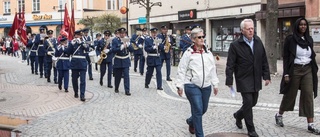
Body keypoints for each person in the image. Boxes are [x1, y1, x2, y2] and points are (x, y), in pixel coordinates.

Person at [225, 19, 271, 137]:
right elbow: (230, 64)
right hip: (243, 78)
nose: (251, 31)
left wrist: (266, 76)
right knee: (248, 102)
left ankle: (238, 115)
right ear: (242, 31)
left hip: (255, 77)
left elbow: (263, 59)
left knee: (253, 102)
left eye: (252, 28)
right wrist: (229, 80)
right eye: (248, 29)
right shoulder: (235, 45)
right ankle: (251, 129)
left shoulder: (258, 41)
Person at [275, 18, 320, 135]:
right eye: (301, 25)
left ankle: (311, 124)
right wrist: (286, 73)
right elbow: (286, 57)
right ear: (297, 26)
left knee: (308, 94)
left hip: (307, 70)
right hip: (294, 69)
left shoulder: (309, 39)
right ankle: (279, 114)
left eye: (305, 25)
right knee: (290, 94)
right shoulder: (290, 39)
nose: (303, 27)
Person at [175, 27, 219, 137]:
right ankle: (200, 135)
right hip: (192, 85)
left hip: (206, 86)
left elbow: (212, 68)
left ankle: (191, 121)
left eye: (203, 36)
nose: (202, 39)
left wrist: (215, 83)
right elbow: (181, 69)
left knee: (203, 109)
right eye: (199, 37)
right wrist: (179, 85)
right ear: (193, 39)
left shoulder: (208, 52)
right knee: (198, 110)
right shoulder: (188, 53)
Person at [66, 30, 89, 101]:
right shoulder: (72, 42)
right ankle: (76, 91)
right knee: (74, 79)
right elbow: (67, 52)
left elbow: (87, 49)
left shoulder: (84, 42)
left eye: (80, 36)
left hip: (82, 63)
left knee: (83, 80)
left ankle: (82, 95)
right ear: (75, 35)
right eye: (78, 35)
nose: (79, 37)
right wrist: (71, 45)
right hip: (75, 63)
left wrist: (81, 43)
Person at [112, 28, 134, 96]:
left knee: (126, 76)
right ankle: (116, 87)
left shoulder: (127, 40)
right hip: (118, 59)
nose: (122, 34)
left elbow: (132, 50)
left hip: (125, 60)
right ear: (119, 33)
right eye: (121, 33)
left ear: (125, 34)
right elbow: (113, 49)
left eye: (123, 33)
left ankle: (127, 90)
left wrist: (128, 45)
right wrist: (121, 47)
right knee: (118, 76)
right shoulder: (115, 40)